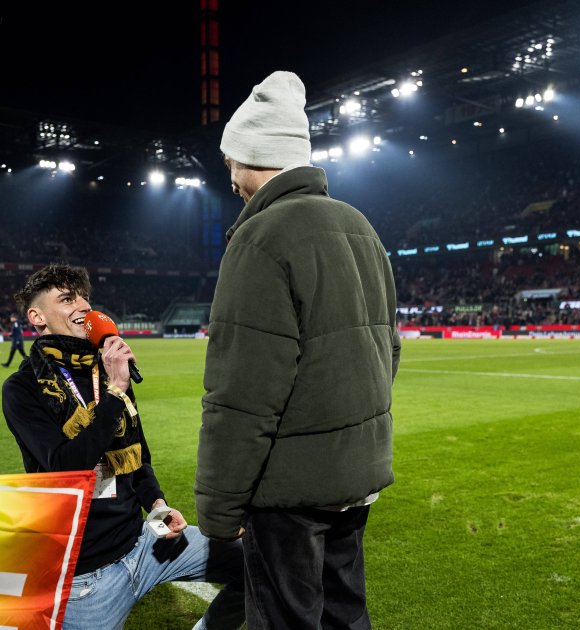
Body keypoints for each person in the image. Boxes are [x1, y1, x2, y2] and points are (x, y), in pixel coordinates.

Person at [195, 70, 401, 630]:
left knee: (286, 619)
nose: (230, 178)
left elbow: (243, 394)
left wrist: (220, 508)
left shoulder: (260, 237)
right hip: (355, 477)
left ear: (251, 156)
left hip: (289, 489)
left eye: (231, 163)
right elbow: (390, 352)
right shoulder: (359, 225)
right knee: (344, 616)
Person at [1, 264, 243, 630]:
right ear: (37, 316)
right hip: (87, 575)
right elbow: (69, 467)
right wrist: (115, 391)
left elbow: (138, 455)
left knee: (257, 564)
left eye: (85, 297)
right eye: (67, 299)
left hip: (145, 545)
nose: (83, 305)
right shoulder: (23, 388)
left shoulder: (106, 372)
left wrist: (158, 505)